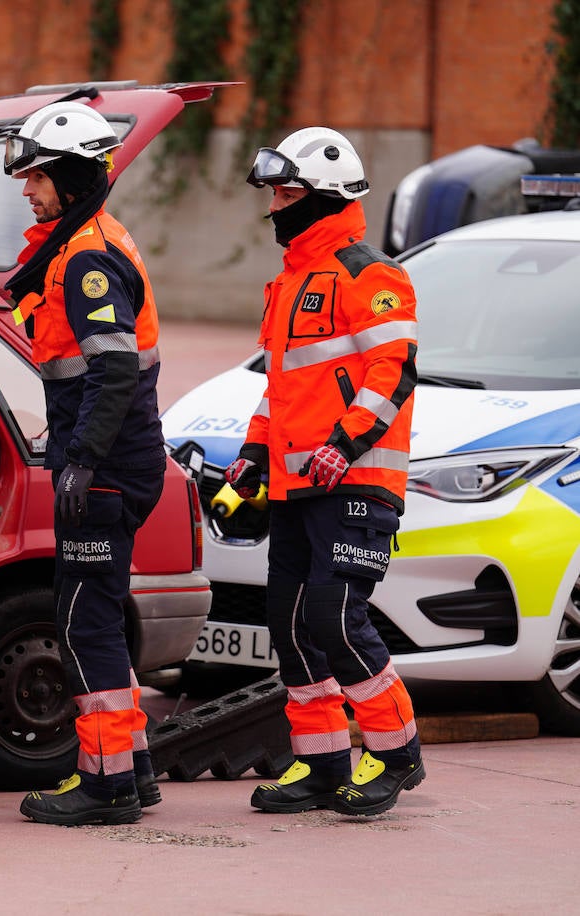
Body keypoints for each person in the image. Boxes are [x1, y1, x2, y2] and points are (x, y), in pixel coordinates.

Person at [231, 126, 423, 816]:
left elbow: (393, 370)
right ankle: (321, 763)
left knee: (335, 616)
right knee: (292, 624)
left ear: (324, 195)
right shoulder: (287, 285)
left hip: (357, 481)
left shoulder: (370, 273)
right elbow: (280, 389)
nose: (275, 205)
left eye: (287, 192)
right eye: (274, 192)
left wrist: (346, 442)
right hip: (295, 488)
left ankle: (397, 753)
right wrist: (253, 457)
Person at [0, 101, 167, 826]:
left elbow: (114, 371)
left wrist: (81, 462)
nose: (27, 189)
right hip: (106, 460)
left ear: (70, 177)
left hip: (105, 465)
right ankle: (133, 771)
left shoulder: (89, 258)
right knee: (92, 616)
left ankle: (104, 785)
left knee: (83, 624)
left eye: (36, 176)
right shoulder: (76, 244)